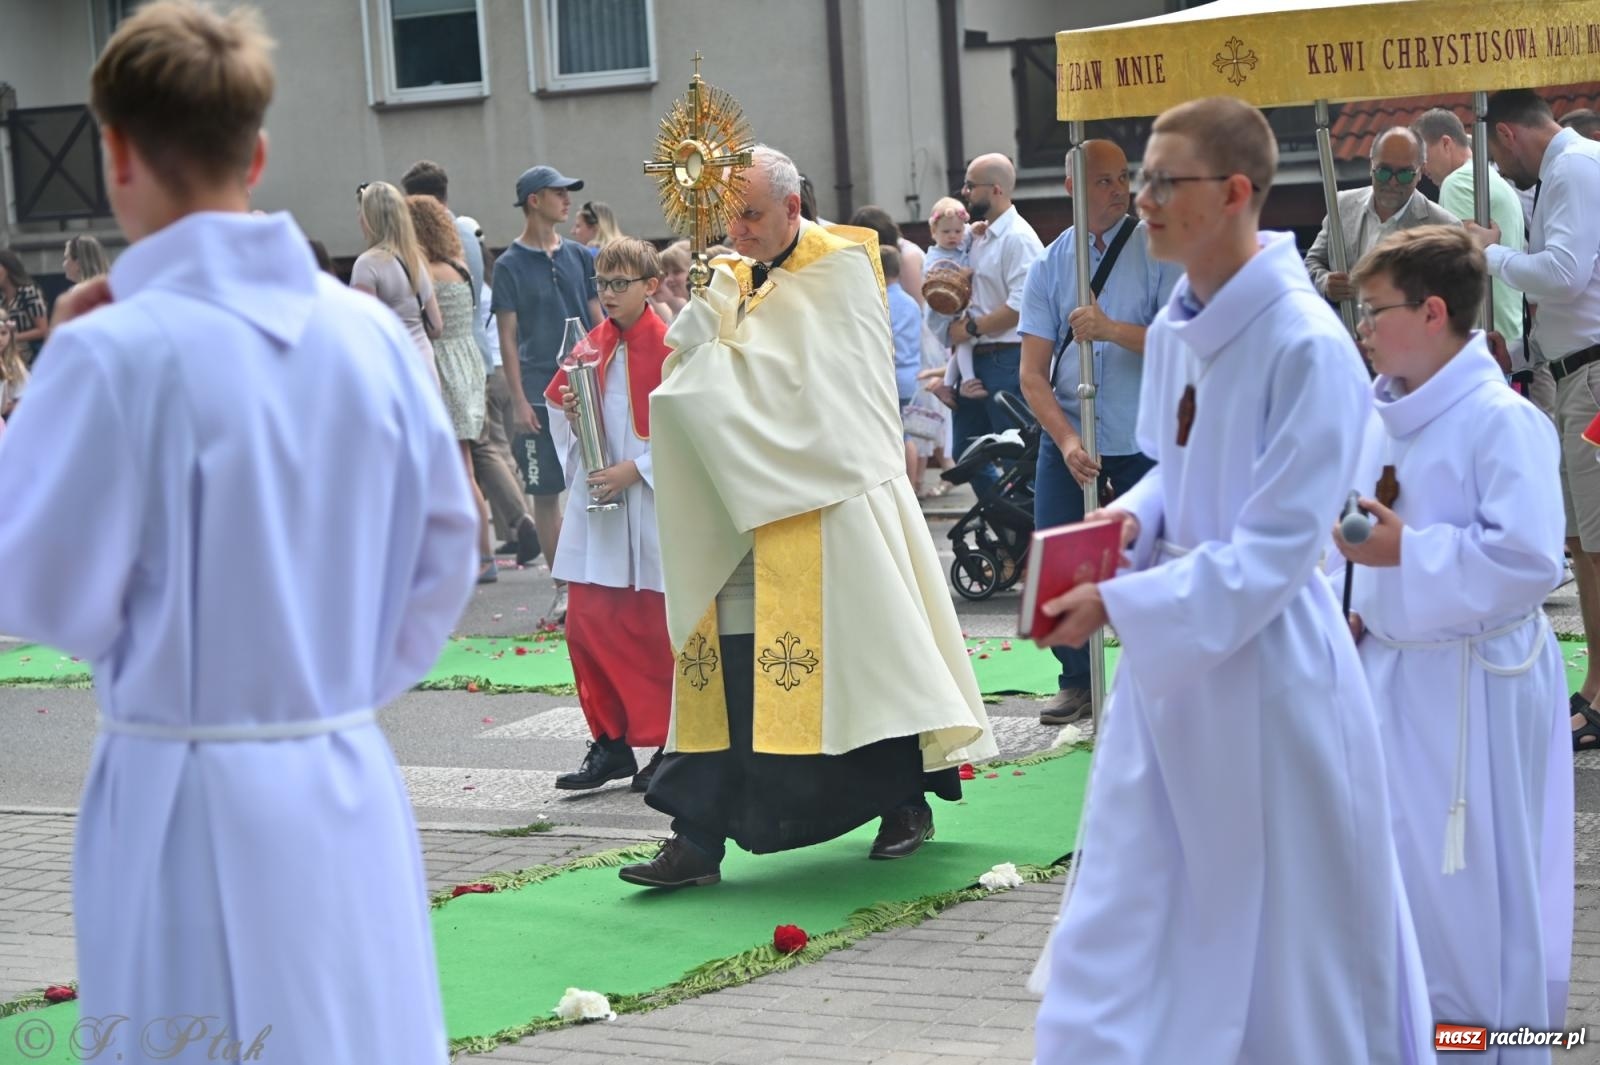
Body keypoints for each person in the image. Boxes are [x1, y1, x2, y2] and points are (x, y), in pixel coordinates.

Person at [0, 4, 478, 1063]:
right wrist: (323, 689)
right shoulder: (366, 336)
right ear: (255, 155)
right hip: (342, 769)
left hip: (182, 793)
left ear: (117, 155)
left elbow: (34, 585)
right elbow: (447, 553)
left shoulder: (111, 354)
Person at [1031, 96, 1433, 1064]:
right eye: (1141, 180)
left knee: (1284, 953)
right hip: (1176, 675)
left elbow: (1280, 547)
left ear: (1237, 193)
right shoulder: (1179, 326)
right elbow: (1177, 470)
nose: (1142, 200)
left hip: (1268, 676)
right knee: (1134, 919)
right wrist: (1128, 523)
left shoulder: (1305, 345)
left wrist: (1122, 600)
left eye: (1164, 182)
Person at [617, 145, 995, 889]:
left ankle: (903, 803)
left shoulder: (841, 269)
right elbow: (686, 372)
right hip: (738, 503)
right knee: (727, 667)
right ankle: (697, 838)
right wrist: (709, 315)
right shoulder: (730, 275)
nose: (738, 228)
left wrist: (721, 364)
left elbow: (817, 387)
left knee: (865, 663)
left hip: (832, 499)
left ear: (792, 208)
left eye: (751, 214)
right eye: (730, 215)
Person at [1335, 225, 1572, 1053]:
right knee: (1397, 883)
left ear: (1433, 312)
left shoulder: (1502, 421)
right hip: (1394, 672)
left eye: (1376, 311)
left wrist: (1408, 552)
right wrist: (1350, 598)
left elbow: (1530, 559)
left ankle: (1483, 1043)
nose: (1363, 329)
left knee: (1469, 894)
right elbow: (1357, 531)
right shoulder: (1379, 413)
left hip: (1476, 683)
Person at [1017, 140, 1180, 727]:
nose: (1119, 191)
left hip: (1141, 431)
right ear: (1072, 188)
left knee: (1154, 555)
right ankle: (1076, 680)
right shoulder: (1050, 263)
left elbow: (1181, 342)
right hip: (1070, 429)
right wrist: (1065, 440)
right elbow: (1031, 374)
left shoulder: (1159, 248)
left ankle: (1158, 676)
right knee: (1060, 554)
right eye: (1104, 181)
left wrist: (1111, 329)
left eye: (1123, 178)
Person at [1464, 89, 1600, 752]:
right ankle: (1596, 687)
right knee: (1585, 544)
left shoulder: (1572, 167)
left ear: (1508, 134)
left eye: (1495, 154)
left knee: (1597, 546)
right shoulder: (1566, 170)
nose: (1499, 168)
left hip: (1592, 377)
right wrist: (1521, 352)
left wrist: (1490, 254)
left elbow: (1566, 276)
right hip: (1576, 371)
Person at [542, 238, 674, 793]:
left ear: (651, 285)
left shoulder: (673, 348)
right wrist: (574, 415)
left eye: (622, 283)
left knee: (653, 631)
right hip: (599, 510)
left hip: (649, 506)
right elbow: (561, 412)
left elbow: (692, 429)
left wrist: (637, 470)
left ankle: (671, 745)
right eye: (603, 283)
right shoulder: (588, 347)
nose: (610, 294)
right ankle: (611, 742)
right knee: (587, 626)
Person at [492, 164, 601, 623]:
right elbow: (507, 338)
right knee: (546, 494)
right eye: (559, 192)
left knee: (597, 487)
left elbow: (598, 318)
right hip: (539, 394)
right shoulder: (508, 265)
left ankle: (601, 584)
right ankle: (563, 588)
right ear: (534, 200)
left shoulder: (579, 256)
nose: (568, 200)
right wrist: (519, 400)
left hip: (588, 389)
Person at [409, 194, 496, 584]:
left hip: (443, 365)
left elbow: (431, 325)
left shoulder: (424, 272)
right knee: (466, 467)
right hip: (467, 363)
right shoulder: (459, 266)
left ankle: (482, 555)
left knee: (459, 470)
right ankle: (480, 553)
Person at [950, 152, 1043, 491]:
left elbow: (1022, 305)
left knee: (1014, 452)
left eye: (970, 185)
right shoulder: (982, 234)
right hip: (979, 357)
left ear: (997, 189)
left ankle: (1019, 518)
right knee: (966, 452)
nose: (964, 192)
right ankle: (1002, 516)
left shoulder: (1018, 238)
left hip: (1006, 356)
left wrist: (971, 329)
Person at [458, 217, 542, 567]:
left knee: (491, 449)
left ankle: (521, 522)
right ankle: (519, 528)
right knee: (507, 451)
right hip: (508, 373)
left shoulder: (466, 283)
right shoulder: (492, 281)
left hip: (487, 372)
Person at [1413, 108, 1526, 355]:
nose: (1420, 168)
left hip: (1483, 336)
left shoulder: (1458, 182)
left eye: (1423, 156)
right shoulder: (1488, 176)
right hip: (1510, 330)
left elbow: (1453, 267)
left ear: (1446, 143)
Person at [1304, 126, 1460, 304]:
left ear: (1421, 172)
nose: (1392, 182)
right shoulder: (1341, 206)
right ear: (1371, 165)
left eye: (1404, 174)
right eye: (1383, 171)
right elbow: (1312, 262)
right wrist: (1324, 283)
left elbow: (1453, 300)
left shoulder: (1444, 227)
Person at [352, 180, 442, 382]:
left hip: (392, 368)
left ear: (370, 219)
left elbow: (365, 329)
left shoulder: (367, 265)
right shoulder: (417, 260)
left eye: (361, 213)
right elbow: (436, 327)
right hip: (425, 367)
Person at [921, 196, 978, 400]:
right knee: (964, 340)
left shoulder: (960, 243)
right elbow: (937, 280)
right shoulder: (935, 257)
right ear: (933, 232)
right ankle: (968, 380)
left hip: (958, 305)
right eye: (946, 232)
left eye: (957, 231)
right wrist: (960, 275)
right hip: (942, 310)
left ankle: (946, 384)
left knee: (965, 341)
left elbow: (970, 233)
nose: (953, 236)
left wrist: (976, 228)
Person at [0, 248, 48, 362]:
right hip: (8, 356)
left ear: (8, 268)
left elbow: (43, 329)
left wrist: (12, 337)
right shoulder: (1, 297)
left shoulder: (29, 292)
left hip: (30, 356)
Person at [0, 312, 28, 419]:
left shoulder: (13, 363)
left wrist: (10, 407)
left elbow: (23, 396)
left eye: (3, 333)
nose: (0, 338)